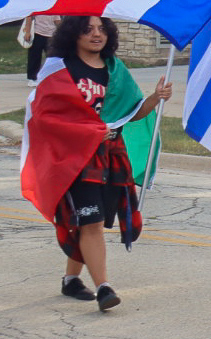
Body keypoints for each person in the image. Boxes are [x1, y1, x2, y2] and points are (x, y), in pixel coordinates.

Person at [23, 16, 171, 310]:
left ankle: (70, 280)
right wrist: (87, 131)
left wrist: (156, 98)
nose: (96, 34)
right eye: (88, 29)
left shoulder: (115, 70)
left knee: (94, 221)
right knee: (89, 220)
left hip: (109, 156)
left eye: (102, 29)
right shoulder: (58, 69)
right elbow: (46, 117)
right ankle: (104, 287)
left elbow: (130, 114)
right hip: (74, 158)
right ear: (73, 34)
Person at [20, 13, 59, 87]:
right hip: (37, 33)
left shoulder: (53, 6)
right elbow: (29, 18)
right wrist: (27, 32)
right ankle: (32, 78)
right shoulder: (38, 6)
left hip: (51, 35)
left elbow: (57, 20)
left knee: (52, 58)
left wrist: (62, 31)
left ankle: (50, 77)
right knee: (35, 57)